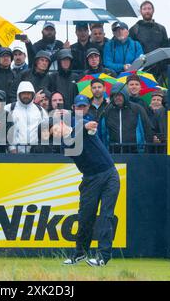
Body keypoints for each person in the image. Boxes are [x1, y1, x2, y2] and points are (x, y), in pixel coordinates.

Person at [62, 96, 120, 267]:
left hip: (109, 175)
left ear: (87, 107)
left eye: (84, 106)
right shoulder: (70, 131)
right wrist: (82, 127)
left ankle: (103, 256)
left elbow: (85, 126)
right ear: (73, 107)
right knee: (85, 217)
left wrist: (87, 126)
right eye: (78, 106)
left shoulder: (87, 123)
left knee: (106, 216)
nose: (81, 109)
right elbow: (70, 134)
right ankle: (80, 253)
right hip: (90, 179)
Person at [101, 82, 153, 153]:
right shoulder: (107, 111)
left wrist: (145, 151)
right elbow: (103, 132)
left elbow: (147, 130)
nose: (117, 97)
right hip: (112, 153)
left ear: (125, 95)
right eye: (115, 95)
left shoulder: (137, 109)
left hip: (135, 153)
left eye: (120, 95)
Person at [5, 81, 48, 154]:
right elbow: (3, 130)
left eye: (28, 93)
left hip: (35, 154)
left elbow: (46, 131)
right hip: (13, 154)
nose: (26, 96)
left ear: (33, 94)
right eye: (23, 93)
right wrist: (11, 148)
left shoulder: (41, 111)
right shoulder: (9, 108)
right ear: (19, 94)